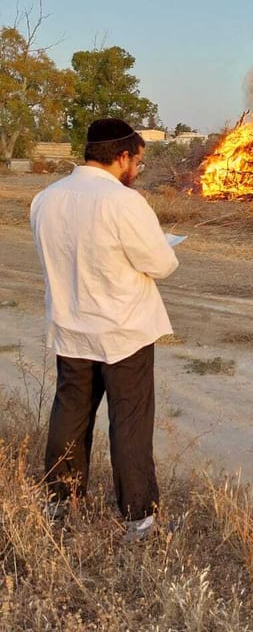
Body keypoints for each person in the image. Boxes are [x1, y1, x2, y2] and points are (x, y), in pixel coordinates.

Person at [30, 117, 179, 541]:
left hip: (70, 326)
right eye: (139, 161)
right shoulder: (123, 202)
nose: (138, 170)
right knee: (129, 421)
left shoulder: (46, 198)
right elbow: (161, 264)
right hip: (122, 332)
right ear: (122, 156)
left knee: (70, 414)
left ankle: (60, 501)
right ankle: (139, 517)